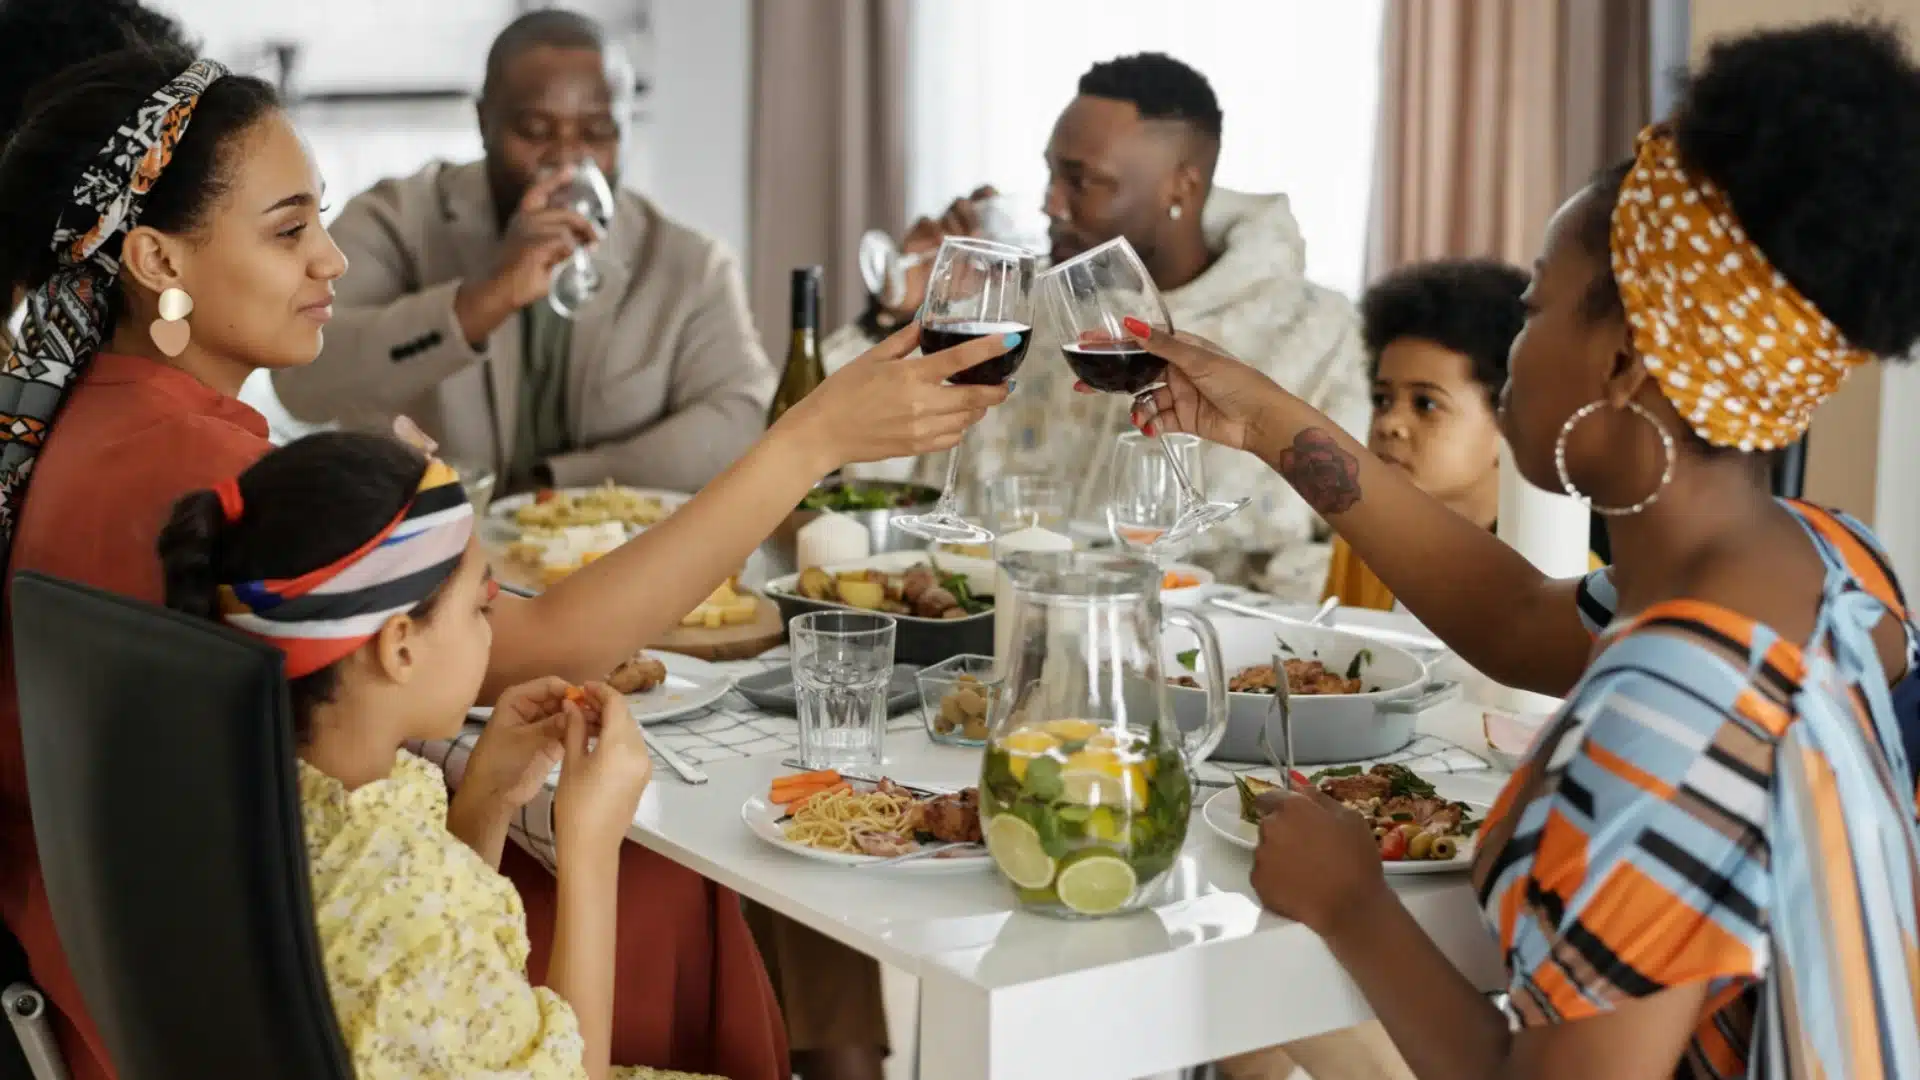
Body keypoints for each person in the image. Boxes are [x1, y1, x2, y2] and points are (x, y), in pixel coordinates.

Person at [0, 41, 1014, 1080]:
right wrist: (810, 441)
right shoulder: (196, 466)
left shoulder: (104, 425)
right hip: (231, 990)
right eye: (291, 229)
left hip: (144, 953)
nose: (332, 260)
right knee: (667, 883)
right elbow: (530, 646)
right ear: (158, 261)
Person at [1121, 19, 1920, 1078]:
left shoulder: (1663, 715)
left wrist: (1352, 905)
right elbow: (1516, 618)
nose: (1513, 347)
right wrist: (1268, 419)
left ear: (1629, 361)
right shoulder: (1835, 567)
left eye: (1536, 305)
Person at [159, 434, 705, 1079]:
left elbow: (420, 1005)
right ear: (400, 649)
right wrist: (588, 846)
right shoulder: (419, 904)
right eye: (480, 607)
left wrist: (487, 800)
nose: (495, 625)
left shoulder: (232, 792)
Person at [824, 52, 1368, 598]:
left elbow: (1351, 550)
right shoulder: (1022, 310)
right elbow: (857, 475)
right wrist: (899, 316)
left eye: (1082, 181)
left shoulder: (1318, 332)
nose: (1050, 203)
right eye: (1051, 172)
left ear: (1180, 186)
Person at [271, 9, 772, 495]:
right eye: (534, 131)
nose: (567, 159)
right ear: (484, 121)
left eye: (597, 132)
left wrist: (558, 484)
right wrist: (479, 302)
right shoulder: (395, 219)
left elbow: (746, 416)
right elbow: (300, 384)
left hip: (617, 559)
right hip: (423, 560)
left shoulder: (688, 263)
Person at [1324, 259, 1600, 612]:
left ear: (1511, 420)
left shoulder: (1572, 576)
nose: (1389, 423)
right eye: (1382, 399)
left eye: (1426, 404)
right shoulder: (1362, 539)